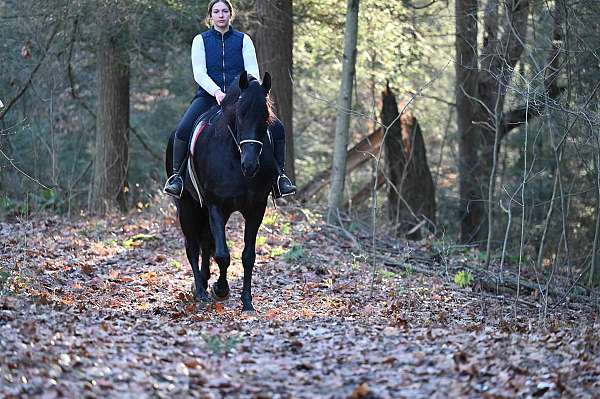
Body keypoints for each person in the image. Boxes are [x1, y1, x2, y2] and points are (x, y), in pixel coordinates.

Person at [164, 0, 296, 199]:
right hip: (209, 97)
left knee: (277, 128)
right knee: (182, 130)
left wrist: (244, 92)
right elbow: (199, 73)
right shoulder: (200, 40)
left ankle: (280, 178)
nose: (220, 15)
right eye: (216, 11)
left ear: (230, 14)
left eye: (224, 11)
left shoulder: (244, 40)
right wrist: (217, 92)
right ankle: (177, 178)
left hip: (240, 100)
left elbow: (252, 71)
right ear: (210, 16)